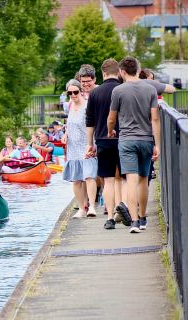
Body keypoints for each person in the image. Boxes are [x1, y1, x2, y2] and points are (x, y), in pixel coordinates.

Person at [107, 57, 161, 233]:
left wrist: (110, 131)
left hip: (127, 141)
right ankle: (144, 217)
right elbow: (155, 118)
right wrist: (157, 144)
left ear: (122, 72)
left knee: (131, 180)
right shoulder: (150, 89)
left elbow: (111, 118)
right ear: (138, 70)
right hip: (146, 139)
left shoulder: (118, 90)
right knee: (144, 179)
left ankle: (135, 222)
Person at [85, 58, 132, 229]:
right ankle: (125, 206)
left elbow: (89, 121)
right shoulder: (123, 90)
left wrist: (90, 144)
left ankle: (110, 218)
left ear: (103, 73)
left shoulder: (95, 94)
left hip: (103, 140)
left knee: (109, 180)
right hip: (123, 138)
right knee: (126, 178)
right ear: (118, 72)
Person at [62, 79, 98, 218]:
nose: (72, 94)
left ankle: (92, 207)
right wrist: (65, 134)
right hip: (73, 147)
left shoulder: (88, 106)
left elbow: (93, 124)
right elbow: (69, 124)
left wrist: (93, 144)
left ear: (80, 91)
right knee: (76, 179)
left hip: (86, 145)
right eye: (69, 92)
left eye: (75, 92)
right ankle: (82, 207)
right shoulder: (70, 106)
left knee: (89, 177)